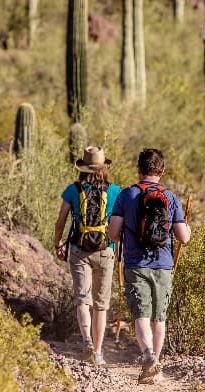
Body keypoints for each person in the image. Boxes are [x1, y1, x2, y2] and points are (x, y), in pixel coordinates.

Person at [108, 148, 191, 383]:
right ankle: (155, 365)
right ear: (162, 171)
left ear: (138, 169)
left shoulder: (125, 196)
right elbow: (183, 237)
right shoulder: (172, 198)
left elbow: (113, 234)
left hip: (135, 264)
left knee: (141, 315)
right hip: (163, 265)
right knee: (159, 317)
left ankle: (148, 357)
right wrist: (189, 230)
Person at [54, 146, 121, 365]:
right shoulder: (114, 191)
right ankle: (99, 353)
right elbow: (120, 223)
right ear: (104, 168)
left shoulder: (72, 190)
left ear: (82, 167)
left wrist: (58, 244)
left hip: (79, 249)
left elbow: (60, 222)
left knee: (83, 299)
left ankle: (86, 342)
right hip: (105, 250)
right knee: (101, 304)